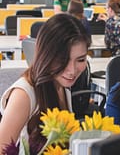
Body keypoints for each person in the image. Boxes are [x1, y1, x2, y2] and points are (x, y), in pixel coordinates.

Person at [0, 13, 91, 153]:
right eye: (62, 60)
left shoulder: (61, 85)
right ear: (46, 55)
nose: (72, 70)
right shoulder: (23, 95)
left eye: (80, 60)